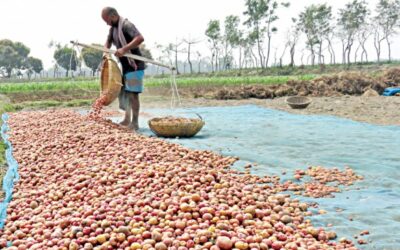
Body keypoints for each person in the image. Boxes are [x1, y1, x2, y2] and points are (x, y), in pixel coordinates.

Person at [102, 6, 145, 131]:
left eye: (107, 20)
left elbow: (140, 38)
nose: (106, 23)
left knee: (133, 94)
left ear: (113, 16)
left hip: (135, 65)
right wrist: (105, 52)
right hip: (125, 66)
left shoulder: (126, 25)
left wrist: (124, 49)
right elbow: (108, 42)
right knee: (126, 93)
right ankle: (127, 119)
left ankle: (135, 123)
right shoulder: (113, 29)